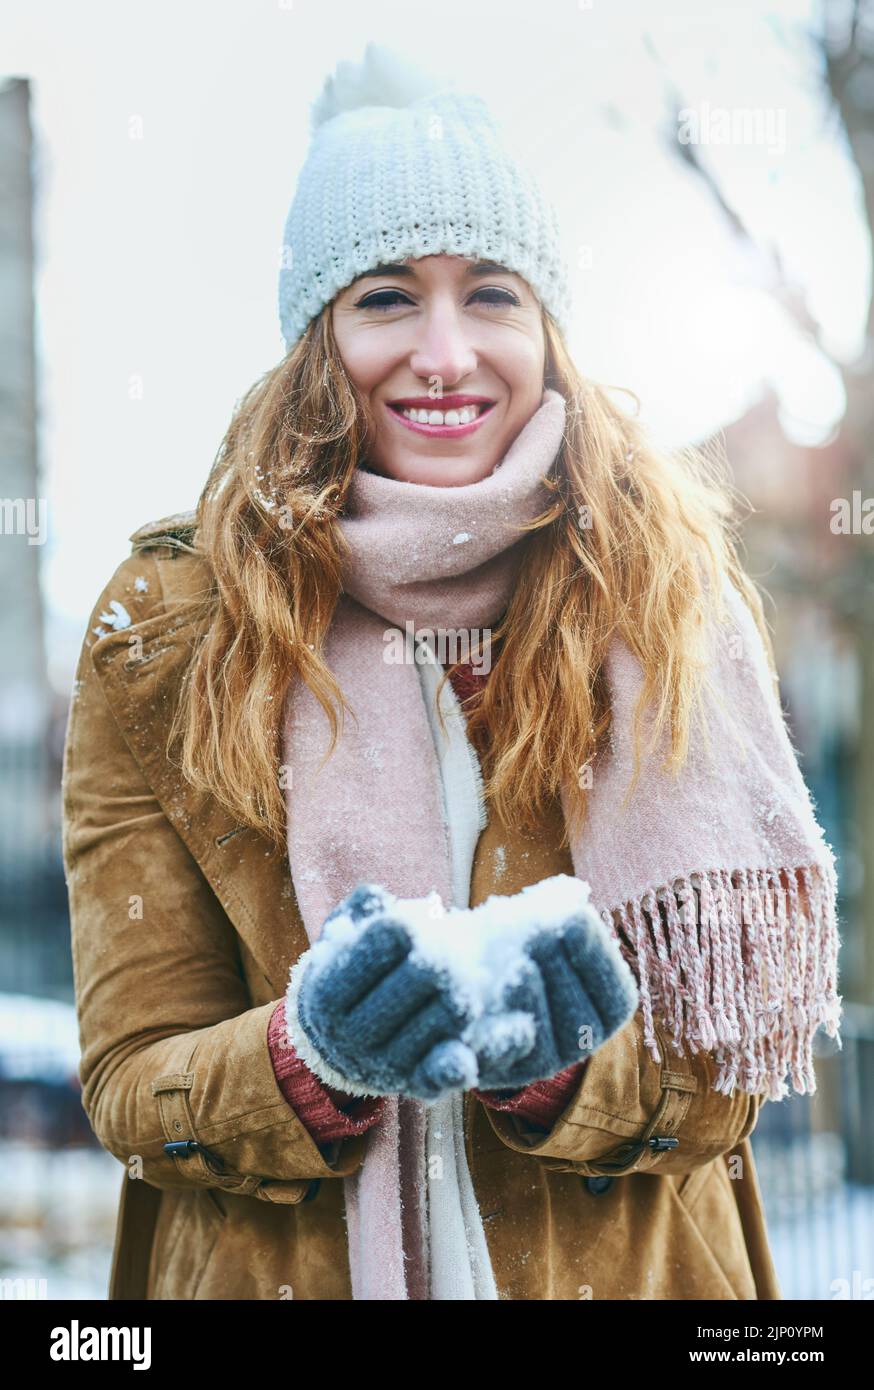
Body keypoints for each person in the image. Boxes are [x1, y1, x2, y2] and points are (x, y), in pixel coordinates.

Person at [63, 42, 841, 1301]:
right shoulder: (167, 627)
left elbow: (733, 1082)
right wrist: (305, 1058)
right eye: (384, 297)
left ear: (546, 327)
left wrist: (570, 1071)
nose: (443, 353)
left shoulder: (656, 596)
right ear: (317, 335)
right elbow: (128, 1079)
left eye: (490, 293)